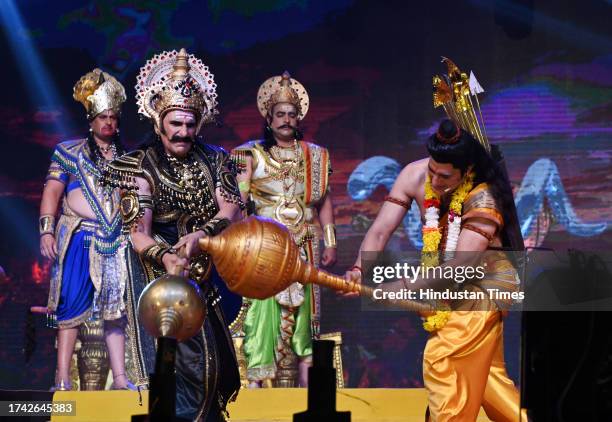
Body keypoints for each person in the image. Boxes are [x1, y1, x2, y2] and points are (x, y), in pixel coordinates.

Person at [346, 59, 526, 421]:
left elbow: (459, 269)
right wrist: (358, 269)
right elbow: (381, 229)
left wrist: (399, 285)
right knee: (489, 383)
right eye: (433, 171)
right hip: (446, 286)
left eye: (445, 177)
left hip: (481, 289)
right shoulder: (415, 175)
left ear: (465, 174)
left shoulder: (483, 196)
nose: (436, 182)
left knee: (442, 361)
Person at [104, 48, 242, 421]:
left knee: (214, 367)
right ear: (158, 122)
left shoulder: (215, 159)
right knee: (178, 370)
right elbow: (139, 234)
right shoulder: (138, 166)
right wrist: (167, 258)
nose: (183, 132)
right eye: (175, 124)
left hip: (207, 273)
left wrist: (201, 236)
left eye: (189, 124)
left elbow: (232, 209)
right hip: (160, 280)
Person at [232, 71, 337, 388]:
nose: (286, 120)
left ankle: (309, 388)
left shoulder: (315, 155)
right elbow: (239, 200)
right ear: (268, 117)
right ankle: (256, 383)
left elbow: (325, 201)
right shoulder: (249, 154)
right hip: (265, 246)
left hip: (305, 242)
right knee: (262, 312)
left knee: (306, 316)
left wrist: (331, 241)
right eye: (280, 114)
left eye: (292, 115)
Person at [39, 69, 133, 390]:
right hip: (80, 236)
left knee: (115, 311)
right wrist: (47, 230)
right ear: (91, 119)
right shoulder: (68, 151)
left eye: (113, 117)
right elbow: (52, 192)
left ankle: (120, 378)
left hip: (116, 239)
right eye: (102, 117)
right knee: (71, 309)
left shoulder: (129, 158)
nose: (108, 122)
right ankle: (62, 378)